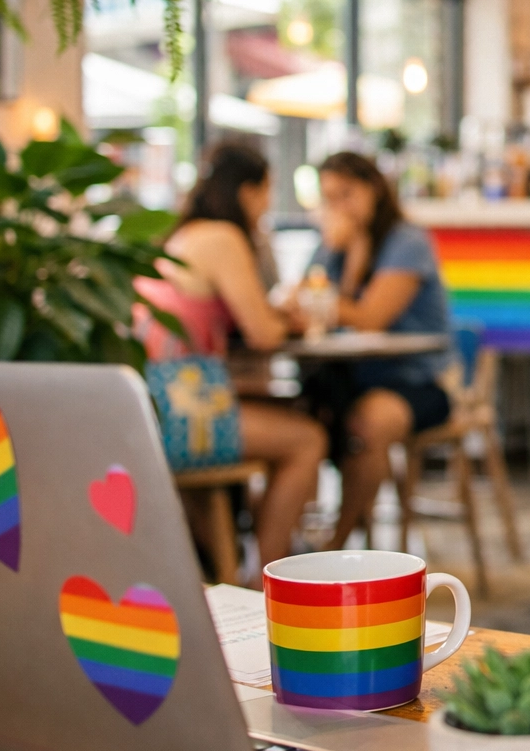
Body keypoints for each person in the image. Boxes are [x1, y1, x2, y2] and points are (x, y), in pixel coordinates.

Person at [137, 142, 327, 573]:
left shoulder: (185, 233)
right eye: (266, 191)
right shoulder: (223, 238)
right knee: (307, 439)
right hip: (182, 411)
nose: (265, 205)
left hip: (154, 402)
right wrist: (289, 321)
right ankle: (272, 580)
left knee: (289, 414)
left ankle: (244, 562)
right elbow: (261, 332)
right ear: (247, 191)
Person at [303, 151, 452, 551]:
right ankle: (294, 548)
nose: (338, 207)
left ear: (373, 189)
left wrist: (351, 258)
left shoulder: (407, 241)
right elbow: (304, 302)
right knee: (301, 419)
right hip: (348, 377)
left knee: (368, 424)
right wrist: (347, 257)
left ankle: (335, 547)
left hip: (414, 378)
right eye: (329, 197)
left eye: (346, 193)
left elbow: (370, 317)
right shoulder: (331, 245)